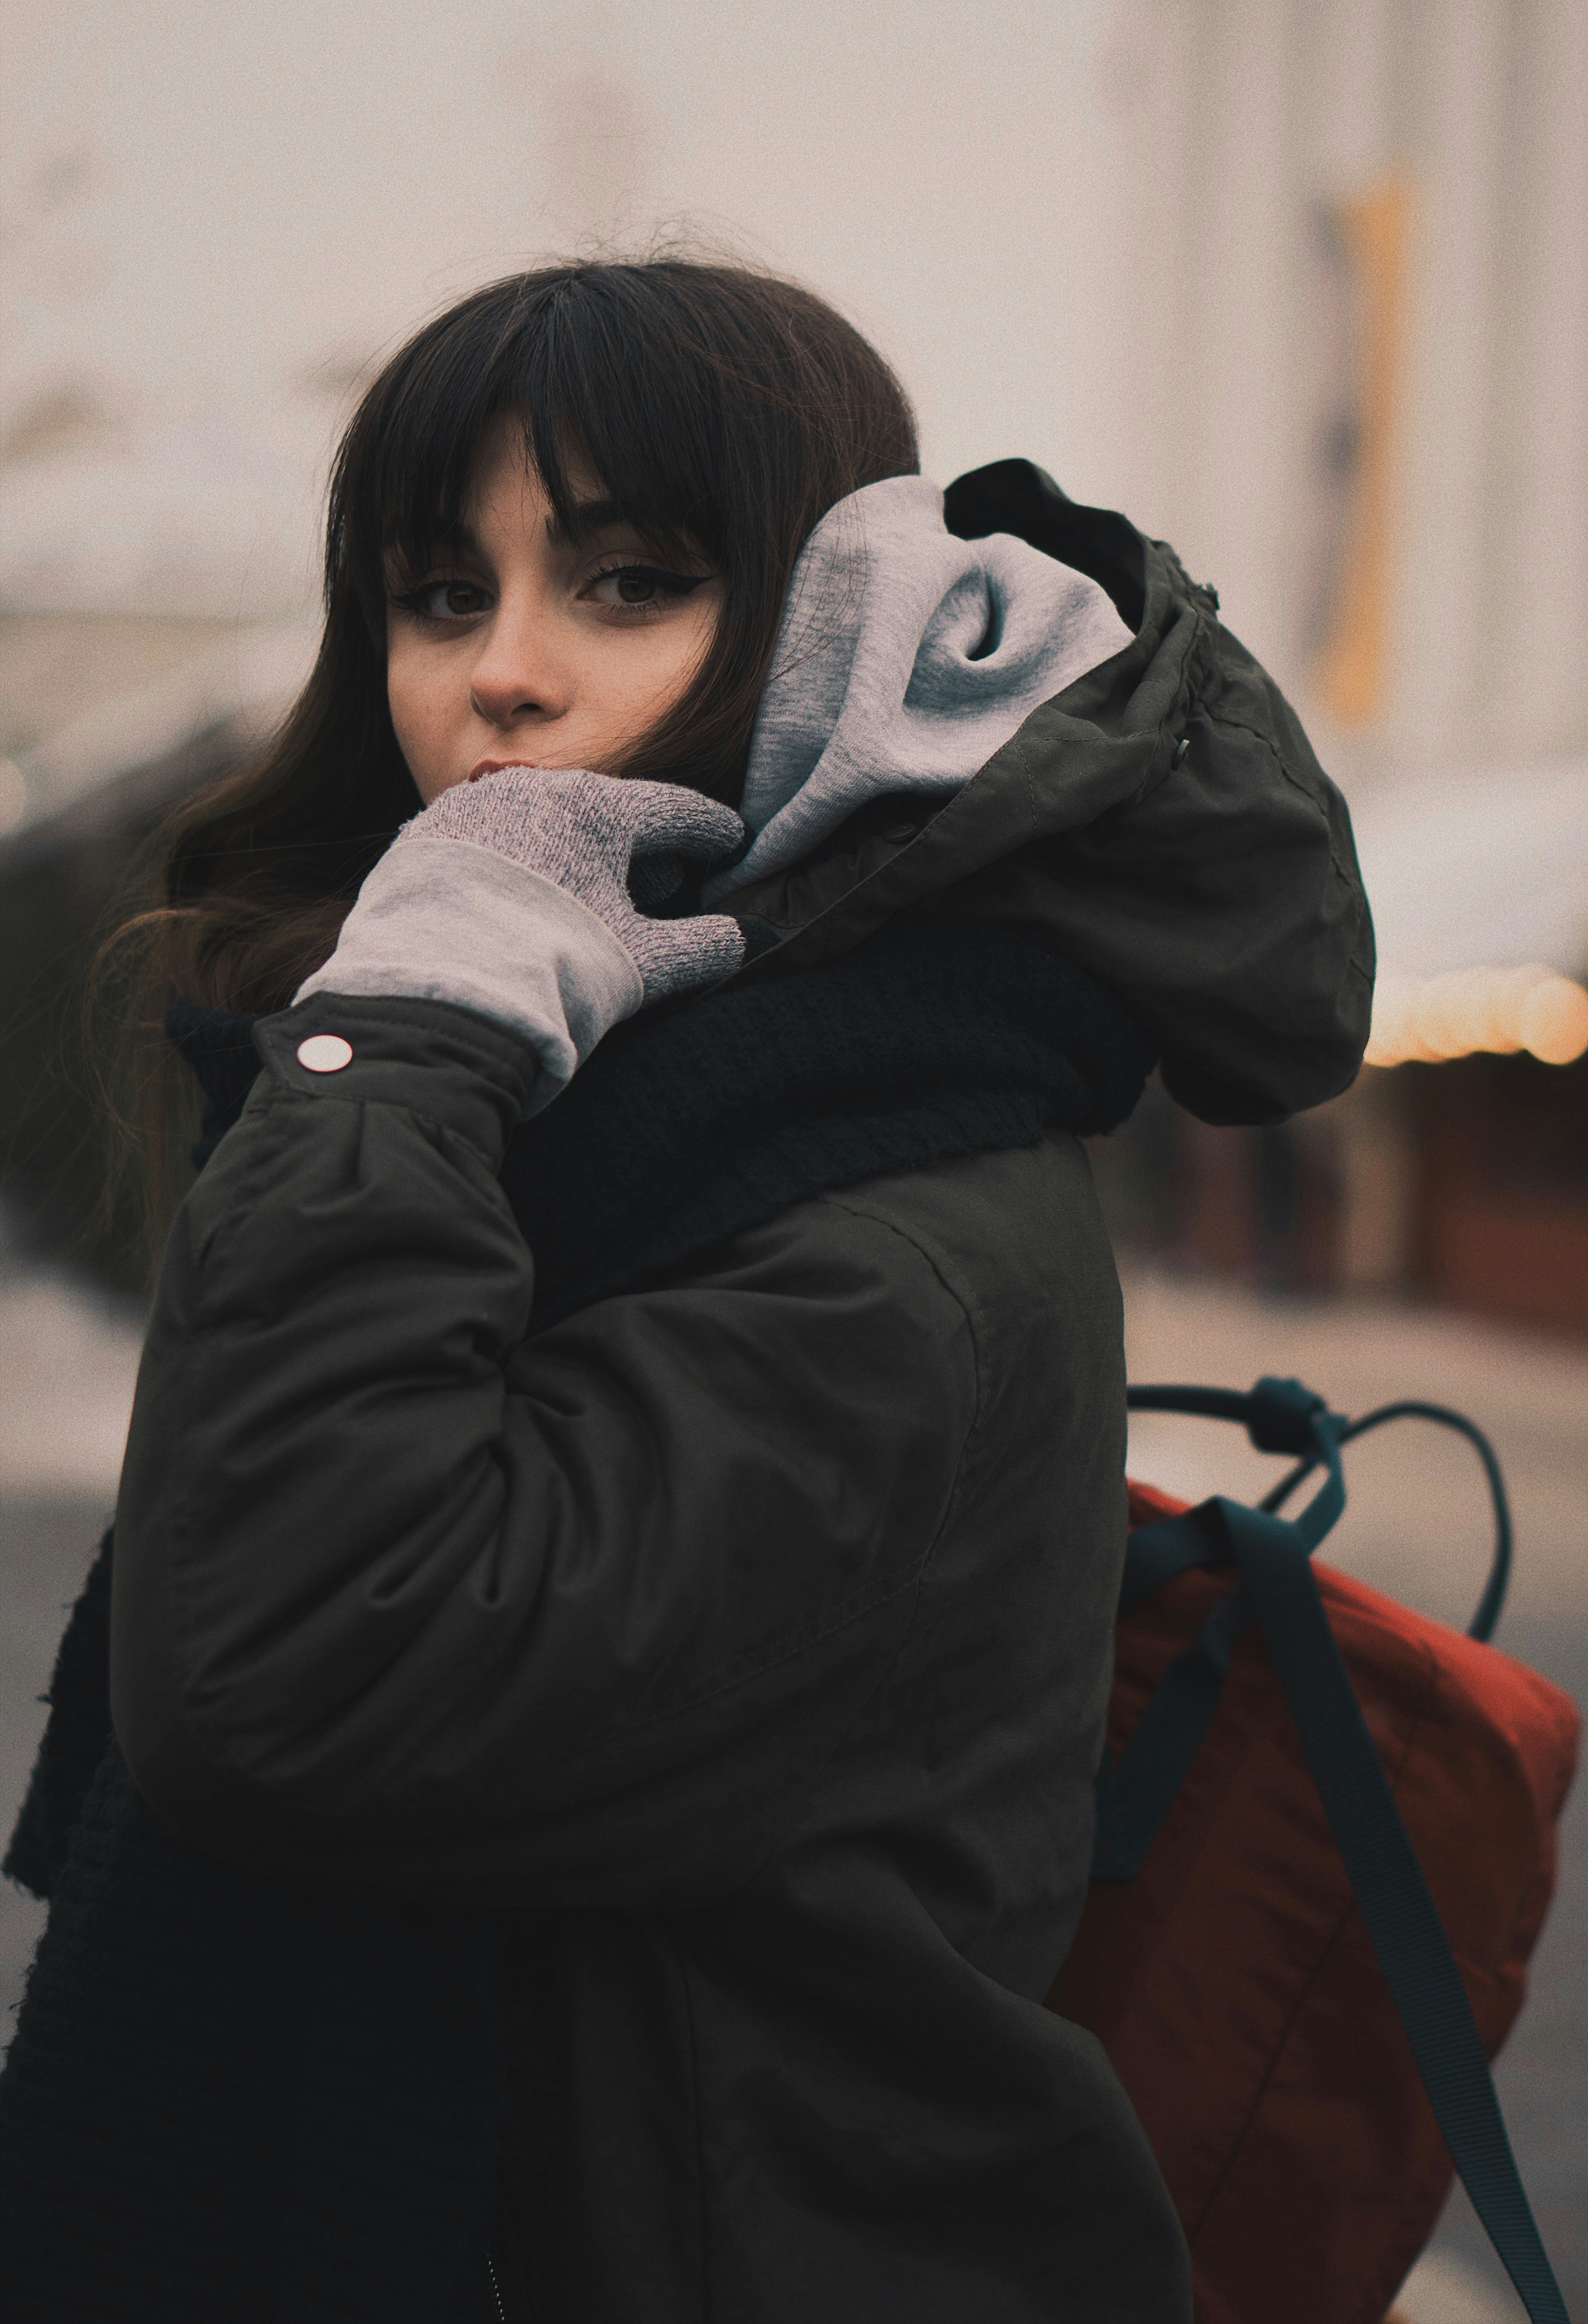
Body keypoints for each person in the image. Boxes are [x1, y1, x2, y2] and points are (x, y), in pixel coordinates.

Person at [0, 257, 1373, 2323]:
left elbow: (289, 1684)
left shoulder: (884, 1211)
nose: (505, 679)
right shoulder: (561, 1118)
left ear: (834, 644)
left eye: (630, 584)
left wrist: (411, 1041)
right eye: (441, 594)